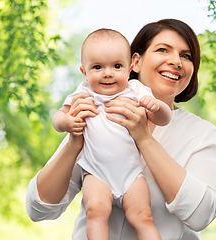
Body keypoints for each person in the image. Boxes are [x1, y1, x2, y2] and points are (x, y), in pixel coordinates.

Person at [26, 19, 216, 240]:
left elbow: (202, 215)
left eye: (186, 56)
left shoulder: (202, 133)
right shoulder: (96, 111)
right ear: (136, 62)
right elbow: (39, 208)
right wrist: (74, 144)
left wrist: (144, 139)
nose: (176, 61)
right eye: (163, 50)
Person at [52, 28, 171, 240]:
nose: (108, 73)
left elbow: (164, 119)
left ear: (130, 67)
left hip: (131, 175)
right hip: (96, 174)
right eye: (97, 67)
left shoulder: (136, 90)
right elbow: (58, 118)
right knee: (95, 213)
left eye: (117, 66)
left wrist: (156, 106)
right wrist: (67, 122)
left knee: (143, 217)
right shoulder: (83, 92)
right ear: (84, 72)